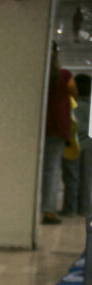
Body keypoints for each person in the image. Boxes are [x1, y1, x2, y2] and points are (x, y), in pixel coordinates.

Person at [42, 43, 78, 224]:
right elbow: (75, 94)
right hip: (57, 127)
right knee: (51, 169)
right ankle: (47, 210)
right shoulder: (64, 76)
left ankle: (33, 208)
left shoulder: (36, 73)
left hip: (36, 126)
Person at [61, 73, 91, 216]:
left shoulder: (70, 104)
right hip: (89, 145)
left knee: (71, 178)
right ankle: (84, 209)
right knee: (87, 178)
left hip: (72, 145)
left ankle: (69, 209)